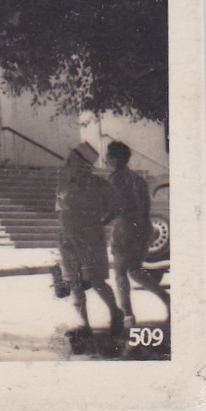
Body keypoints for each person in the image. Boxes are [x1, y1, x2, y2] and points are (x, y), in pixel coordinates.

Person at [56, 143, 122, 344]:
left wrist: (101, 222)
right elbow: (60, 210)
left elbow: (117, 208)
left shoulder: (101, 186)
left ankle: (115, 313)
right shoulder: (63, 184)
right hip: (68, 240)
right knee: (73, 282)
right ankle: (84, 326)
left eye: (70, 161)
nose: (66, 164)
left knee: (96, 281)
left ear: (84, 165)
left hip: (91, 239)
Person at [104, 140, 169, 325]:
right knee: (134, 270)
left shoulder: (115, 179)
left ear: (115, 159)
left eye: (109, 156)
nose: (106, 160)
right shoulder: (137, 179)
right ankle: (166, 299)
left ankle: (127, 315)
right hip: (143, 227)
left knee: (120, 273)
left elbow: (117, 207)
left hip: (125, 229)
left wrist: (103, 222)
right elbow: (145, 206)